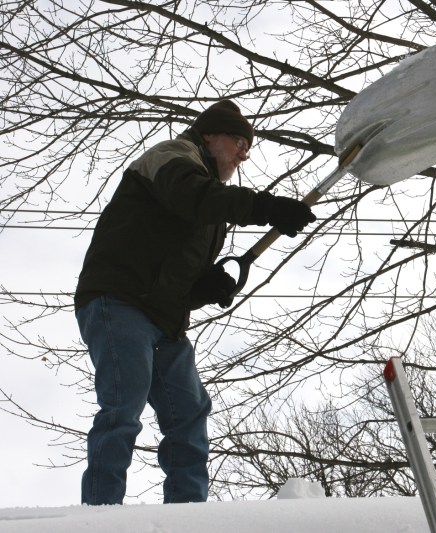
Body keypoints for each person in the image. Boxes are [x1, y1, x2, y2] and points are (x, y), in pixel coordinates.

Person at [74, 100, 316, 505]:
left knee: (188, 416)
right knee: (123, 405)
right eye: (238, 142)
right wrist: (266, 207)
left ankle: (188, 517)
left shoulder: (211, 208)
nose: (244, 153)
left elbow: (175, 273)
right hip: (118, 301)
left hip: (164, 318)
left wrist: (207, 287)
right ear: (208, 136)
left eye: (248, 146)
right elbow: (194, 197)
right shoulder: (172, 157)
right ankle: (100, 516)